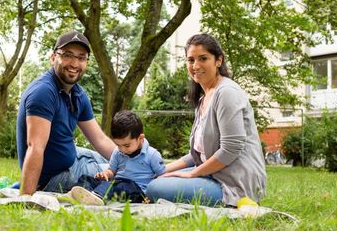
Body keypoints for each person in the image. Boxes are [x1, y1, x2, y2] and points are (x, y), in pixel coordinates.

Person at [146, 34, 267, 207]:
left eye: (203, 58)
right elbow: (196, 154)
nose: (195, 66)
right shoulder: (204, 99)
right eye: (190, 60)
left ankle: (237, 202)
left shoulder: (226, 92)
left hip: (233, 183)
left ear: (218, 60)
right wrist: (162, 170)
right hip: (213, 174)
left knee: (155, 188)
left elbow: (231, 148)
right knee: (156, 179)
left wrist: (192, 174)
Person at [16, 30, 116, 195]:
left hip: (73, 158)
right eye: (68, 55)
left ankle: (147, 164)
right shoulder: (43, 92)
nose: (75, 64)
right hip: (55, 177)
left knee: (123, 162)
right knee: (121, 175)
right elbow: (35, 147)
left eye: (81, 57)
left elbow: (100, 140)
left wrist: (135, 158)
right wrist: (26, 197)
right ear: (53, 57)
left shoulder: (78, 94)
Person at [69, 110, 166, 205]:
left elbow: (162, 176)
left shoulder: (152, 155)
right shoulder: (117, 151)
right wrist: (105, 174)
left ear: (140, 138)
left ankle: (97, 196)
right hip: (117, 184)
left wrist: (152, 195)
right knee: (87, 178)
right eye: (118, 145)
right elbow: (111, 171)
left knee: (118, 185)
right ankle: (80, 194)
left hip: (137, 190)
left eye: (126, 145)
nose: (122, 149)